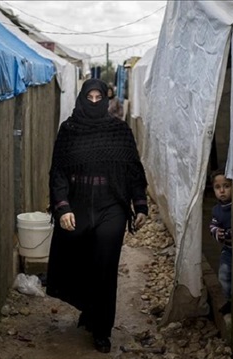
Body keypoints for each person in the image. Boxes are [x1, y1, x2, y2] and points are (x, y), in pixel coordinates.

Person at [46, 79, 148, 353]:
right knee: (79, 261)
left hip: (111, 206)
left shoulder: (119, 131)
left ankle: (102, 329)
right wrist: (63, 207)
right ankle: (89, 308)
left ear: (105, 99)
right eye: (88, 97)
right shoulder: (69, 131)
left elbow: (133, 170)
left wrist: (140, 205)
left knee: (105, 265)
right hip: (78, 203)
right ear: (81, 98)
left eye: (97, 97)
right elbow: (58, 172)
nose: (93, 102)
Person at [209, 169, 232, 315]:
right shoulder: (217, 211)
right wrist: (218, 233)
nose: (222, 191)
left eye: (226, 186)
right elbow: (213, 226)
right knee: (224, 275)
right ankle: (229, 301)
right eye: (218, 188)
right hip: (228, 249)